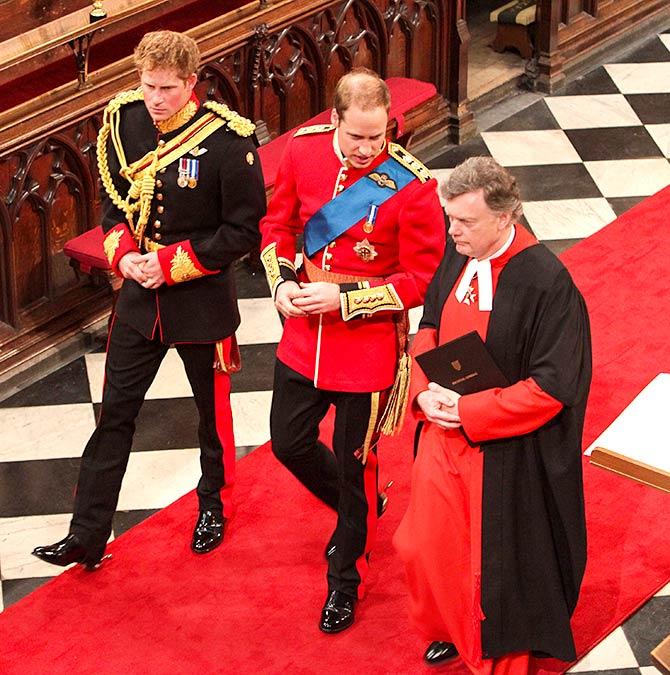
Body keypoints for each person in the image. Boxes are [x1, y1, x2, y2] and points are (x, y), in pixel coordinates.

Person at [32, 30, 266, 569]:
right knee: (114, 415)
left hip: (201, 301)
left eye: (166, 88)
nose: (155, 99)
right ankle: (88, 534)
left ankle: (214, 505)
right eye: (147, 86)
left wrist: (169, 264)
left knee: (212, 418)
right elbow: (113, 209)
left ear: (192, 83)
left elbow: (242, 233)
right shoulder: (125, 120)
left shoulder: (229, 143)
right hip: (140, 303)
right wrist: (125, 258)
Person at [259, 67, 445, 633]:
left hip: (366, 347)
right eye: (357, 136)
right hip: (302, 340)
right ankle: (355, 509)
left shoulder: (413, 185)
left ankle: (347, 577)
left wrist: (343, 299)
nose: (368, 149)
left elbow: (422, 277)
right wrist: (284, 280)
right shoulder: (304, 151)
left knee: (356, 461)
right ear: (334, 120)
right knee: (288, 441)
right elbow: (278, 226)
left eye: (379, 137)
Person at [393, 157, 592, 673]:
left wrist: (470, 410)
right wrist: (422, 393)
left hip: (505, 451)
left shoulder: (548, 282)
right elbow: (429, 325)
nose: (452, 230)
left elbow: (552, 388)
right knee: (420, 547)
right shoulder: (460, 252)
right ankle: (449, 629)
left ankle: (490, 653)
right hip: (444, 432)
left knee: (489, 569)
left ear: (505, 218)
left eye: (465, 221)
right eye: (450, 218)